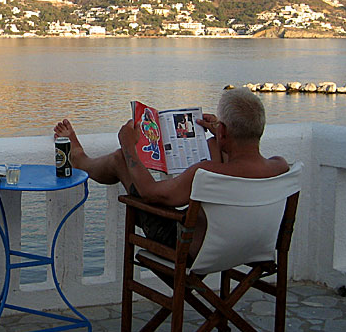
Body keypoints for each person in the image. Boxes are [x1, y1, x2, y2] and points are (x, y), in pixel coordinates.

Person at [53, 88, 289, 258]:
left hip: (189, 248)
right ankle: (83, 158)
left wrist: (128, 147)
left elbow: (150, 193)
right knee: (212, 148)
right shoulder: (280, 167)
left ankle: (79, 159)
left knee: (119, 160)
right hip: (248, 247)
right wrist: (220, 133)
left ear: (224, 131)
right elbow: (241, 162)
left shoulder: (204, 173)